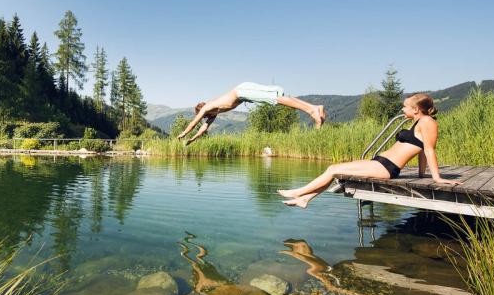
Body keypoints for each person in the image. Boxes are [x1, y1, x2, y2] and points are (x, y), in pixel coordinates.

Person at [277, 93, 459, 208]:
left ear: (416, 109)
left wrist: (436, 178)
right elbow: (420, 150)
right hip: (381, 162)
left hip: (387, 168)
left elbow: (428, 150)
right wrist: (420, 173)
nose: (402, 108)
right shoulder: (418, 122)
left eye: (405, 106)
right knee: (334, 169)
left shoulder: (428, 122)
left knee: (333, 169)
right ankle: (305, 199)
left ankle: (298, 193)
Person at [177, 82, 325, 145]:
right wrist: (192, 140)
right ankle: (314, 107)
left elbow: (194, 122)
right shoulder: (214, 113)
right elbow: (203, 128)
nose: (204, 118)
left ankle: (311, 111)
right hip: (243, 92)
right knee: (277, 97)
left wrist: (183, 133)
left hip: (242, 91)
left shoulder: (207, 107)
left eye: (202, 116)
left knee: (275, 99)